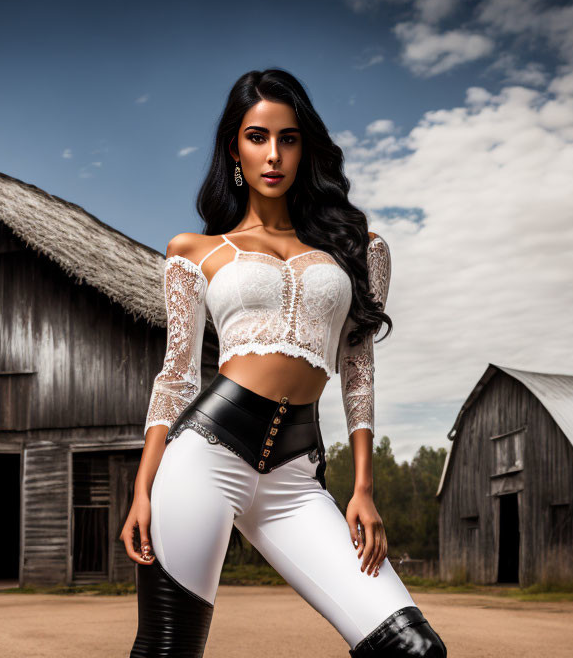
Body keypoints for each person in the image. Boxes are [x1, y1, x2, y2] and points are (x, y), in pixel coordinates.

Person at [120, 69, 446, 657]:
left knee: (414, 650)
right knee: (169, 651)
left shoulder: (357, 249)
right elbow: (176, 375)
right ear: (234, 149)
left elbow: (359, 366)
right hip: (205, 455)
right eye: (257, 137)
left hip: (296, 474)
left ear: (305, 147)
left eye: (288, 138)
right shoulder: (194, 253)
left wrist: (363, 486)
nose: (273, 154)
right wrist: (143, 488)